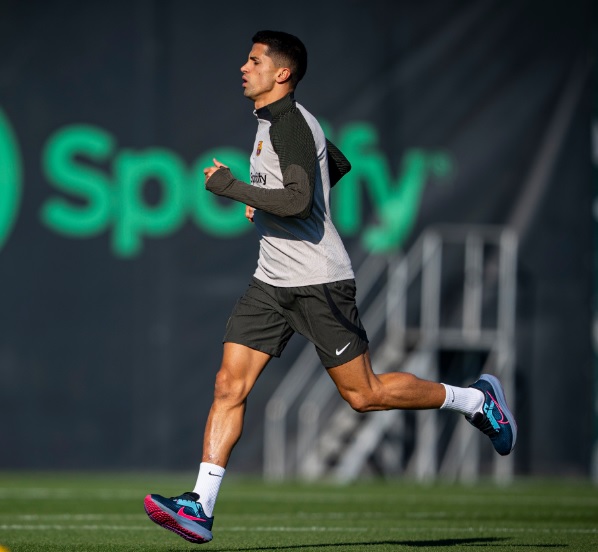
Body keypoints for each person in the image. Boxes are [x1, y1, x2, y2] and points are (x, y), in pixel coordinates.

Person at [143, 30, 517, 545]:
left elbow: (299, 201)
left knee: (364, 396)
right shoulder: (274, 122)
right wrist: (268, 203)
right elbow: (335, 165)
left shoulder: (290, 125)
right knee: (229, 385)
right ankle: (200, 507)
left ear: (282, 73)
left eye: (254, 61)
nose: (243, 68)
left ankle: (474, 401)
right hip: (271, 281)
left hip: (319, 281)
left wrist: (237, 190)